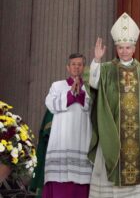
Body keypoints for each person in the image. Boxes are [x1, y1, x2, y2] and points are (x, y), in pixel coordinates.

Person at [88, 12, 140, 198]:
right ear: (116, 48)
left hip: (138, 136)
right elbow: (92, 83)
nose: (124, 51)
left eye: (127, 47)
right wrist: (97, 60)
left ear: (134, 48)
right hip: (114, 132)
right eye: (120, 47)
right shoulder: (107, 69)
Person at [43, 53, 93, 198]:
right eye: (73, 64)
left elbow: (93, 107)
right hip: (61, 139)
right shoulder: (57, 85)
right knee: (59, 180)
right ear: (67, 67)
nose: (76, 67)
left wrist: (81, 95)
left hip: (81, 138)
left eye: (80, 64)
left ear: (83, 67)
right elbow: (51, 104)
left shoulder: (89, 88)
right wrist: (71, 94)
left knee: (81, 182)